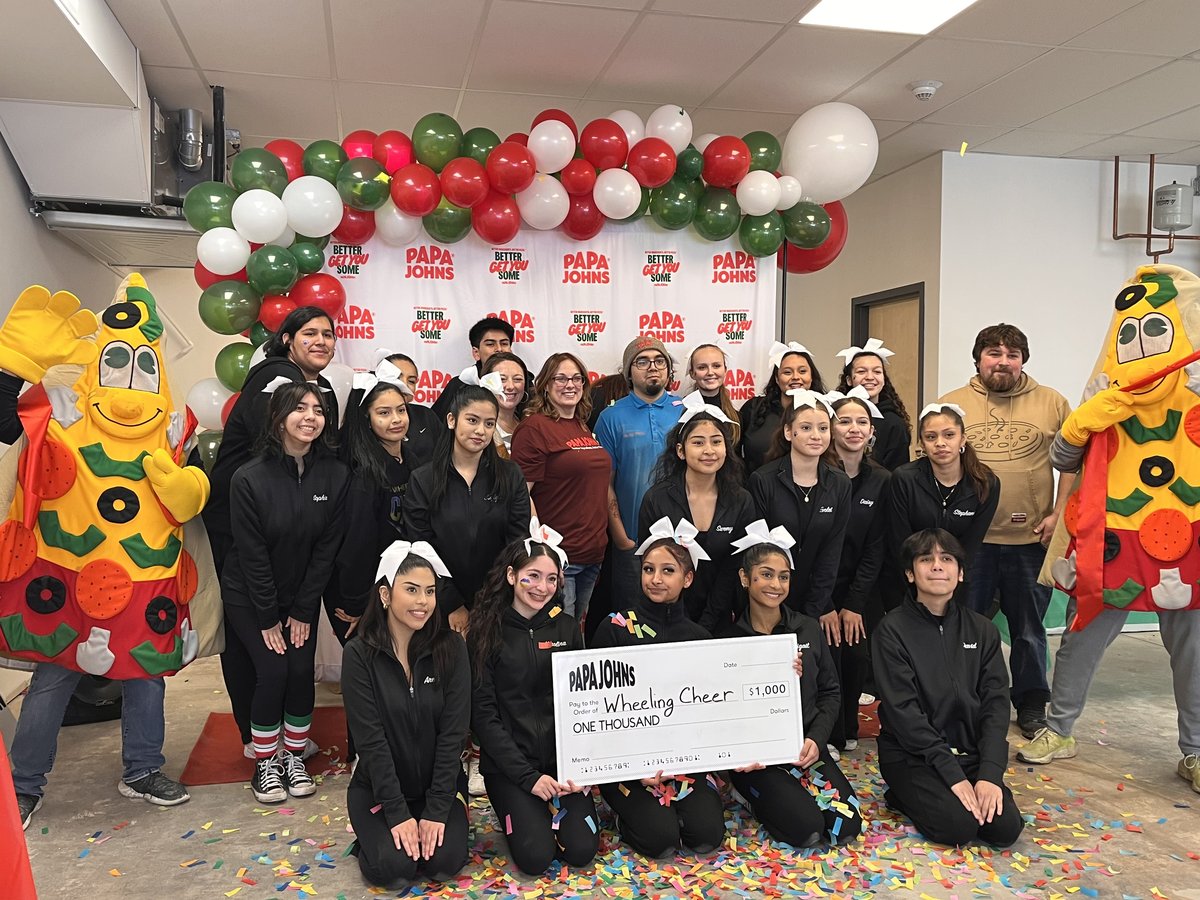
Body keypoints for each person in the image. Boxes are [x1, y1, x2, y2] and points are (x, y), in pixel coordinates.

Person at [204, 307, 340, 758]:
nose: (321, 341)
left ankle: (280, 735)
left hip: (290, 523)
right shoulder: (277, 380)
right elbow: (284, 450)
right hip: (241, 525)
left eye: (328, 334)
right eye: (310, 334)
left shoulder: (305, 387)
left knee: (288, 658)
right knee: (257, 648)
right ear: (286, 340)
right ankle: (257, 739)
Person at [939, 324, 1073, 738]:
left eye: (1012, 354)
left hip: (1031, 540)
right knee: (965, 625)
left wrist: (1059, 515)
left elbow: (1073, 464)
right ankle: (966, 699)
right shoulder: (952, 405)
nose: (1003, 361)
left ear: (1023, 360)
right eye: (994, 353)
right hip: (970, 542)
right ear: (978, 358)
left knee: (1029, 630)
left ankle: (1031, 704)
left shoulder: (1053, 403)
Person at [221, 382, 349, 803]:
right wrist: (268, 617)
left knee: (299, 672)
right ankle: (265, 763)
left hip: (300, 598)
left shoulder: (335, 474)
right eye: (300, 408)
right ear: (278, 417)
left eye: (318, 409)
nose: (310, 416)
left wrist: (303, 609)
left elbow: (326, 548)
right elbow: (252, 554)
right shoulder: (249, 478)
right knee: (273, 671)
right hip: (249, 596)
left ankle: (293, 756)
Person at [873, 529, 1023, 848]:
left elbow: (996, 706)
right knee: (957, 828)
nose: (938, 566)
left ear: (961, 572)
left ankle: (958, 787)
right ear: (910, 574)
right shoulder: (891, 630)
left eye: (947, 558)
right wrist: (953, 776)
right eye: (926, 559)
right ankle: (900, 794)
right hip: (913, 755)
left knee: (1005, 829)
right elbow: (904, 713)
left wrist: (989, 774)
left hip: (969, 753)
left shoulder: (982, 630)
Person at [718, 522, 863, 847]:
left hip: (805, 748)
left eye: (783, 576)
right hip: (758, 759)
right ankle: (749, 794)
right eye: (766, 574)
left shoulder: (807, 629)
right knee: (807, 831)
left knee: (847, 827)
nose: (776, 584)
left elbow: (830, 692)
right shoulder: (727, 641)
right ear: (745, 578)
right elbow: (723, 708)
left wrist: (816, 738)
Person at [341, 540, 471, 889]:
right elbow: (371, 742)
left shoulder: (452, 649)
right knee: (395, 871)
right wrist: (397, 814)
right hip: (378, 791)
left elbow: (453, 734)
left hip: (438, 788)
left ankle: (421, 826)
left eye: (429, 591)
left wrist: (437, 809)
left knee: (441, 864)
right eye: (411, 590)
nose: (422, 602)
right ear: (385, 595)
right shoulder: (358, 655)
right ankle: (373, 837)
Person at [468, 531, 599, 875]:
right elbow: (484, 716)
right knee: (536, 857)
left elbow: (583, 704)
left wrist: (581, 767)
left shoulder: (569, 629)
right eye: (533, 576)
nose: (542, 587)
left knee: (582, 850)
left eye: (552, 579)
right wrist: (527, 777)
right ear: (512, 576)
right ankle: (516, 809)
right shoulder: (485, 633)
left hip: (563, 769)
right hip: (512, 772)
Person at [592, 528, 726, 858]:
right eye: (649, 569)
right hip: (625, 768)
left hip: (683, 764)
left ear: (688, 578)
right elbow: (593, 706)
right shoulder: (614, 628)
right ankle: (623, 814)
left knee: (706, 836)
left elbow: (709, 711)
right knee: (661, 841)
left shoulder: (699, 638)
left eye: (668, 571)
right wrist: (633, 766)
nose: (656, 579)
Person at [404, 385, 530, 635]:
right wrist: (452, 604)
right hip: (439, 607)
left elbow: (517, 541)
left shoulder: (510, 474)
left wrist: (492, 601)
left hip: (498, 603)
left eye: (489, 423)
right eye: (472, 420)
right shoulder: (423, 479)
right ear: (452, 420)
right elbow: (420, 548)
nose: (480, 431)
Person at [638, 393, 754, 632]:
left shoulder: (741, 501)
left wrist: (706, 624)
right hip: (665, 619)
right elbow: (648, 565)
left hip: (720, 617)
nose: (709, 450)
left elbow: (732, 569)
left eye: (716, 441)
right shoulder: (657, 499)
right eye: (698, 442)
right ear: (680, 451)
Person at [747, 390, 851, 657]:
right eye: (806, 428)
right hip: (769, 598)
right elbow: (758, 552)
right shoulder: (763, 480)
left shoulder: (839, 484)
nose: (816, 436)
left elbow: (832, 552)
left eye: (823, 428)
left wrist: (811, 614)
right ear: (788, 432)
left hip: (816, 601)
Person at [511, 353, 611, 622]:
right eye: (561, 378)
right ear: (545, 384)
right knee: (558, 641)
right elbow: (521, 494)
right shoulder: (534, 429)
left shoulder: (582, 426)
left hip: (593, 552)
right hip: (561, 558)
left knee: (575, 634)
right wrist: (545, 553)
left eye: (577, 378)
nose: (570, 384)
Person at [825, 388, 891, 752]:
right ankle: (826, 732)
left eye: (862, 422)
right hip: (819, 588)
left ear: (871, 432)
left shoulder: (882, 480)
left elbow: (876, 547)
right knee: (824, 658)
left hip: (860, 590)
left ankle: (848, 729)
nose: (853, 428)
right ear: (831, 428)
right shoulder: (820, 475)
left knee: (854, 656)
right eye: (845, 421)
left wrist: (853, 603)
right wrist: (824, 602)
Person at [595, 336, 683, 607]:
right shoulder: (610, 417)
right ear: (629, 373)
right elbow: (604, 483)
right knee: (633, 624)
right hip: (632, 541)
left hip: (683, 538)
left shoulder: (686, 411)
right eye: (642, 361)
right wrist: (620, 536)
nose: (652, 367)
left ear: (668, 370)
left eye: (660, 361)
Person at [885, 404, 1000, 610]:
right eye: (931, 437)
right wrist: (918, 583)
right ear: (921, 443)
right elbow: (899, 542)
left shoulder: (986, 483)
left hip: (956, 581)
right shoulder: (904, 479)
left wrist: (948, 584)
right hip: (908, 581)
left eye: (949, 435)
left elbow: (971, 545)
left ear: (962, 439)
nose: (940, 443)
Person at [739, 341, 826, 473]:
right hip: (755, 489)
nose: (796, 377)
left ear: (812, 377)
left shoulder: (825, 411)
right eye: (787, 372)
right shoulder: (753, 408)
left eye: (802, 371)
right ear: (777, 378)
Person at [835, 338, 911, 471]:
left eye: (877, 372)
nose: (870, 377)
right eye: (861, 371)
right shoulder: (833, 414)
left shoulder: (894, 423)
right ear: (848, 380)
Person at [431, 317, 514, 420]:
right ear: (476, 353)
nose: (499, 349)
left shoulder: (523, 383)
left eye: (504, 344)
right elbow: (436, 426)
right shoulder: (459, 385)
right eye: (490, 344)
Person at [377, 350, 441, 463]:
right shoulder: (366, 417)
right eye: (397, 378)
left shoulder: (426, 414)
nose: (404, 385)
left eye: (411, 381)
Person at [685, 344, 741, 444]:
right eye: (702, 367)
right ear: (692, 373)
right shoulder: (682, 412)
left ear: (725, 370)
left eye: (716, 366)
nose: (710, 372)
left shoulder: (736, 417)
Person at [479, 350, 530, 454]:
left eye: (517, 379)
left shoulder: (529, 425)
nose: (510, 386)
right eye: (502, 379)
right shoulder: (479, 429)